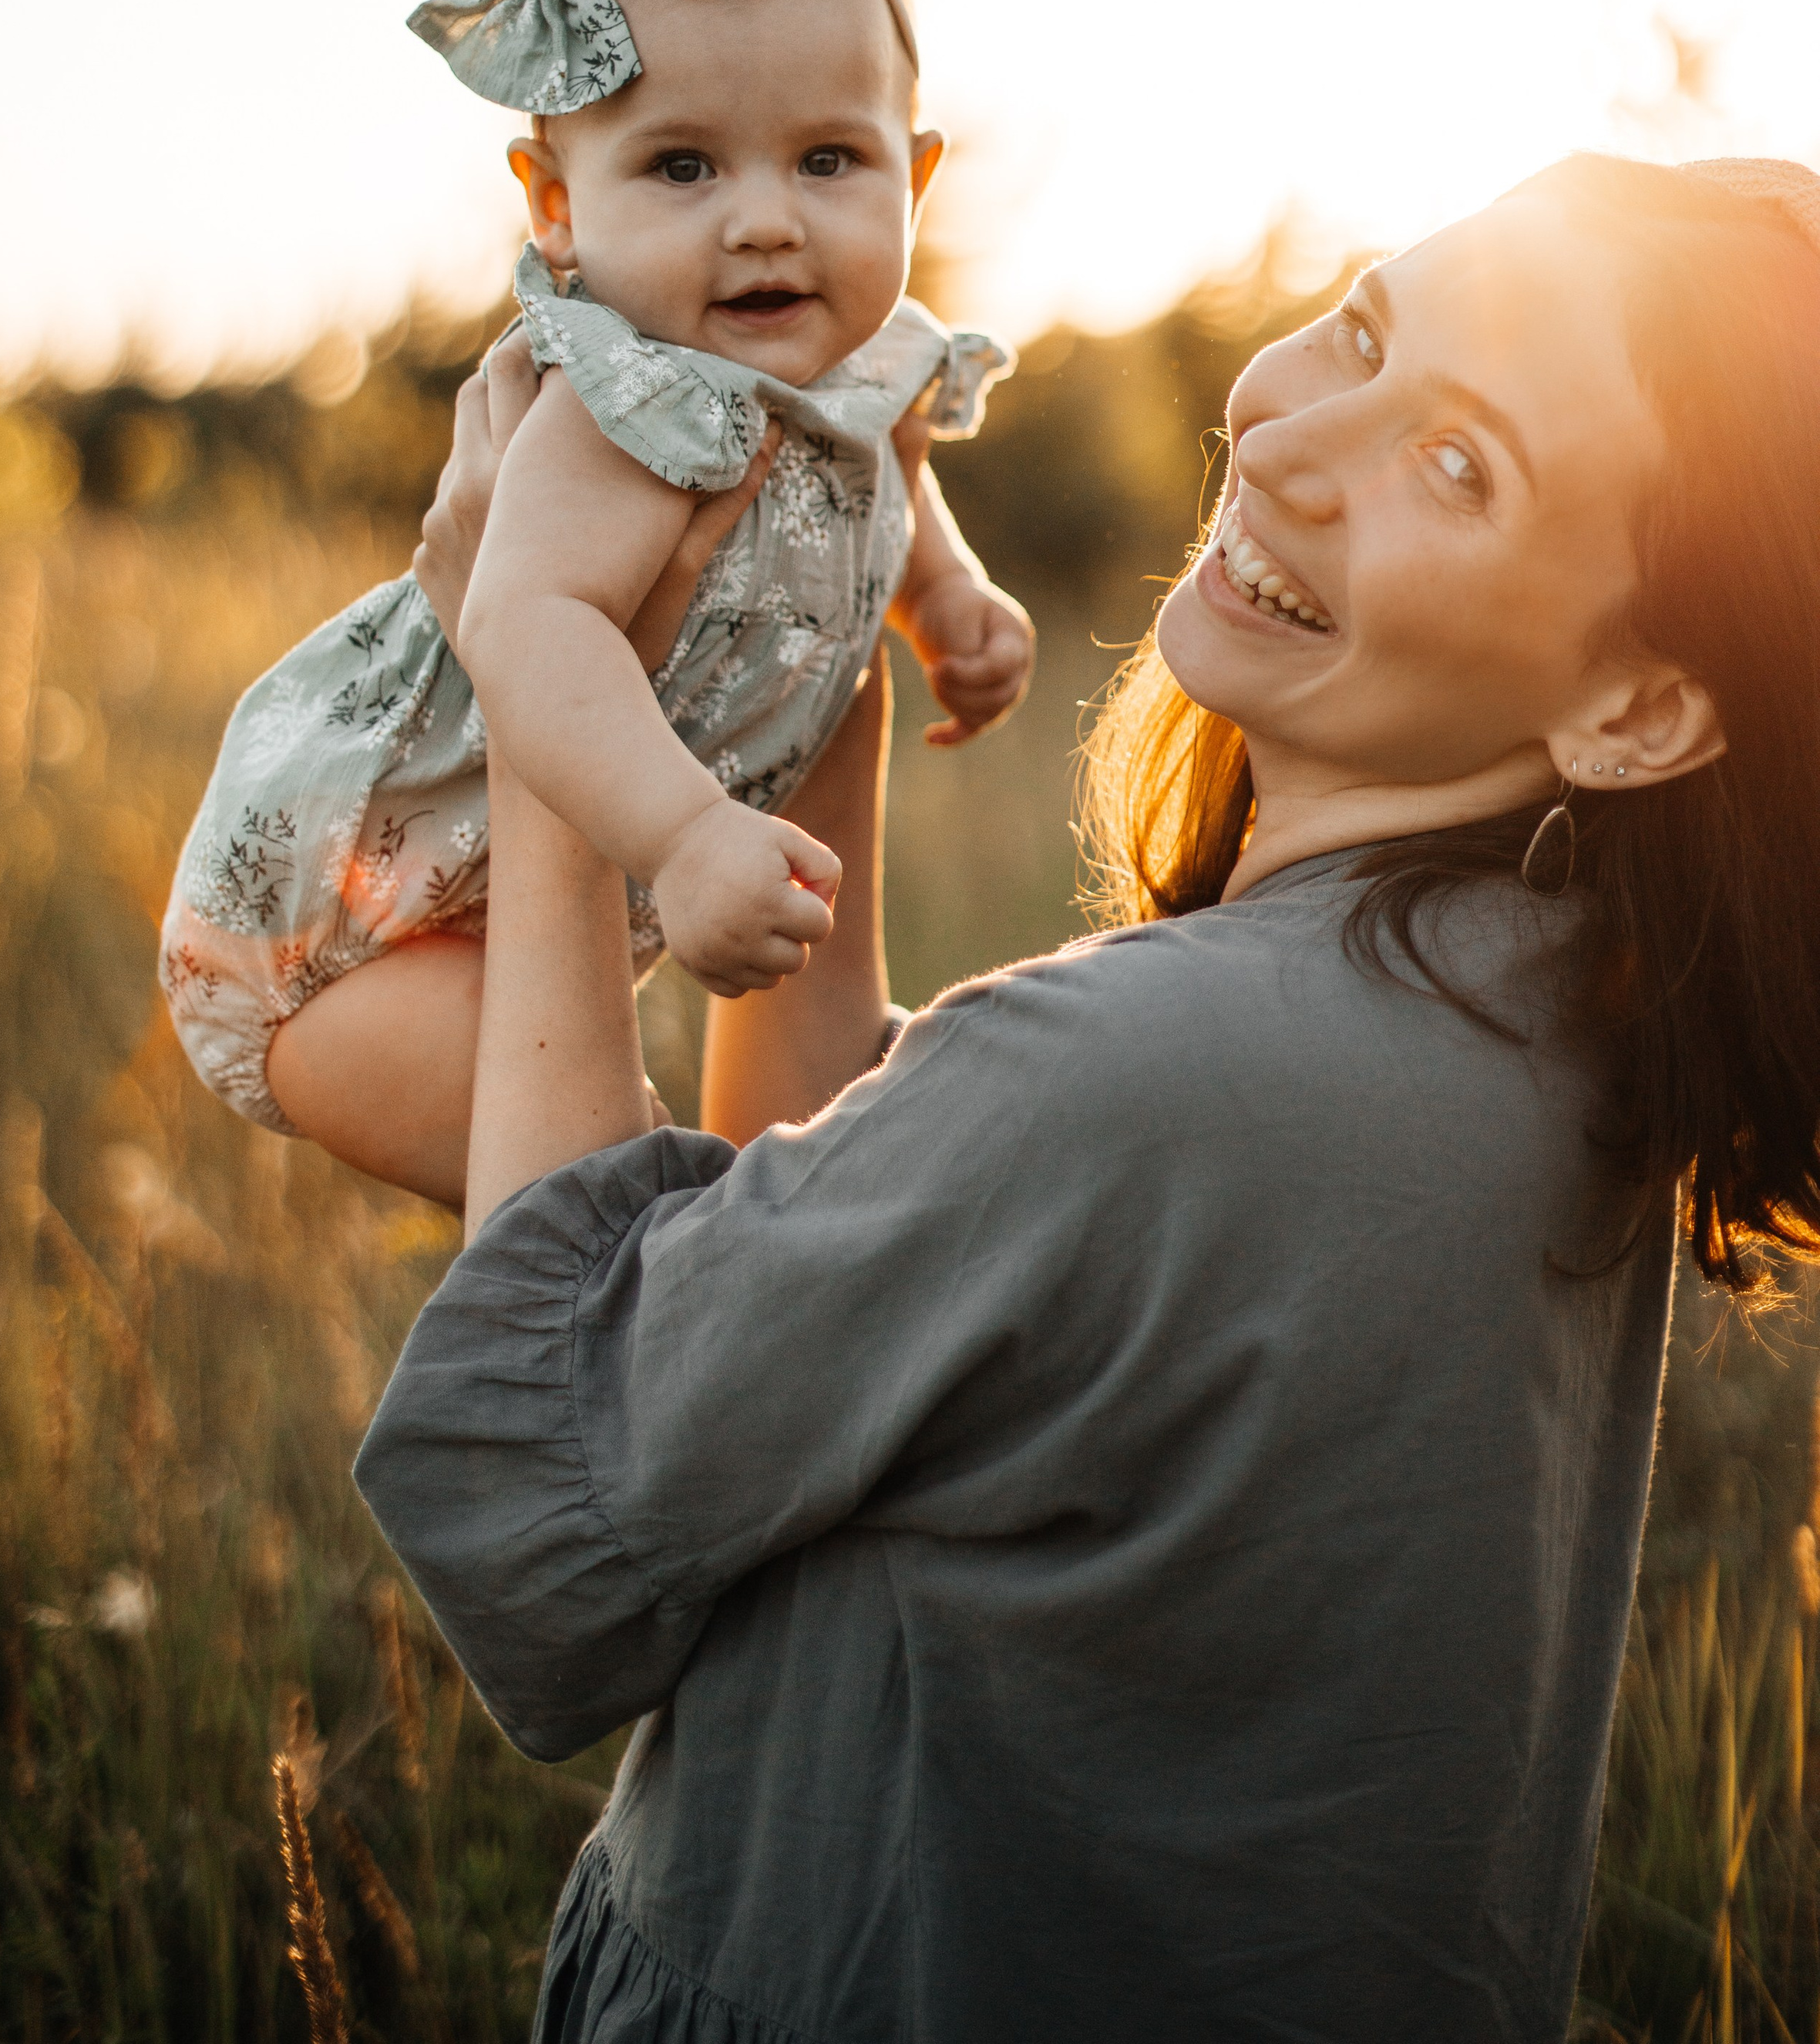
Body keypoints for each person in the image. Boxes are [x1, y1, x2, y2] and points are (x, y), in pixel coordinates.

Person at [355, 150, 1820, 2041]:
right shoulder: (1538, 1023)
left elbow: (541, 1508)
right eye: (1360, 327)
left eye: (1458, 463)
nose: (1295, 442)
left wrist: (551, 703)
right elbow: (849, 1251)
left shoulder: (1148, 1073)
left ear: (1636, 708)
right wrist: (823, 700)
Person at [159, 0, 1032, 1195]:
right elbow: (527, 618)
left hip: (501, 908)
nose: (763, 218)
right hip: (344, 939)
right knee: (619, 1210)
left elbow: (887, 480)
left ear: (915, 176)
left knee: (749, 1208)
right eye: (683, 166)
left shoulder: (875, 365)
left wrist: (948, 596)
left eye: (828, 160)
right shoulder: (619, 401)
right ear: (555, 204)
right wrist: (684, 837)